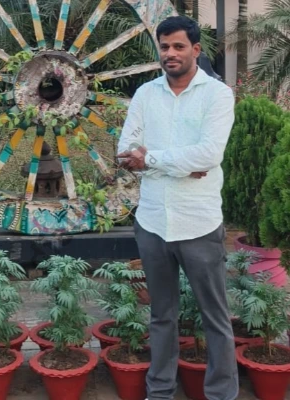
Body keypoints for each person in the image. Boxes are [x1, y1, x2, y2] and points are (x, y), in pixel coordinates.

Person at [117, 15, 238, 400]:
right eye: (165, 46)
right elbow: (126, 151)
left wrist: (152, 159)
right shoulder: (145, 94)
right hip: (153, 222)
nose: (170, 53)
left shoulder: (217, 95)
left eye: (178, 46)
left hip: (199, 222)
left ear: (196, 50)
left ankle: (222, 394)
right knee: (161, 315)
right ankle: (160, 392)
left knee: (215, 317)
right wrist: (184, 164)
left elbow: (209, 154)